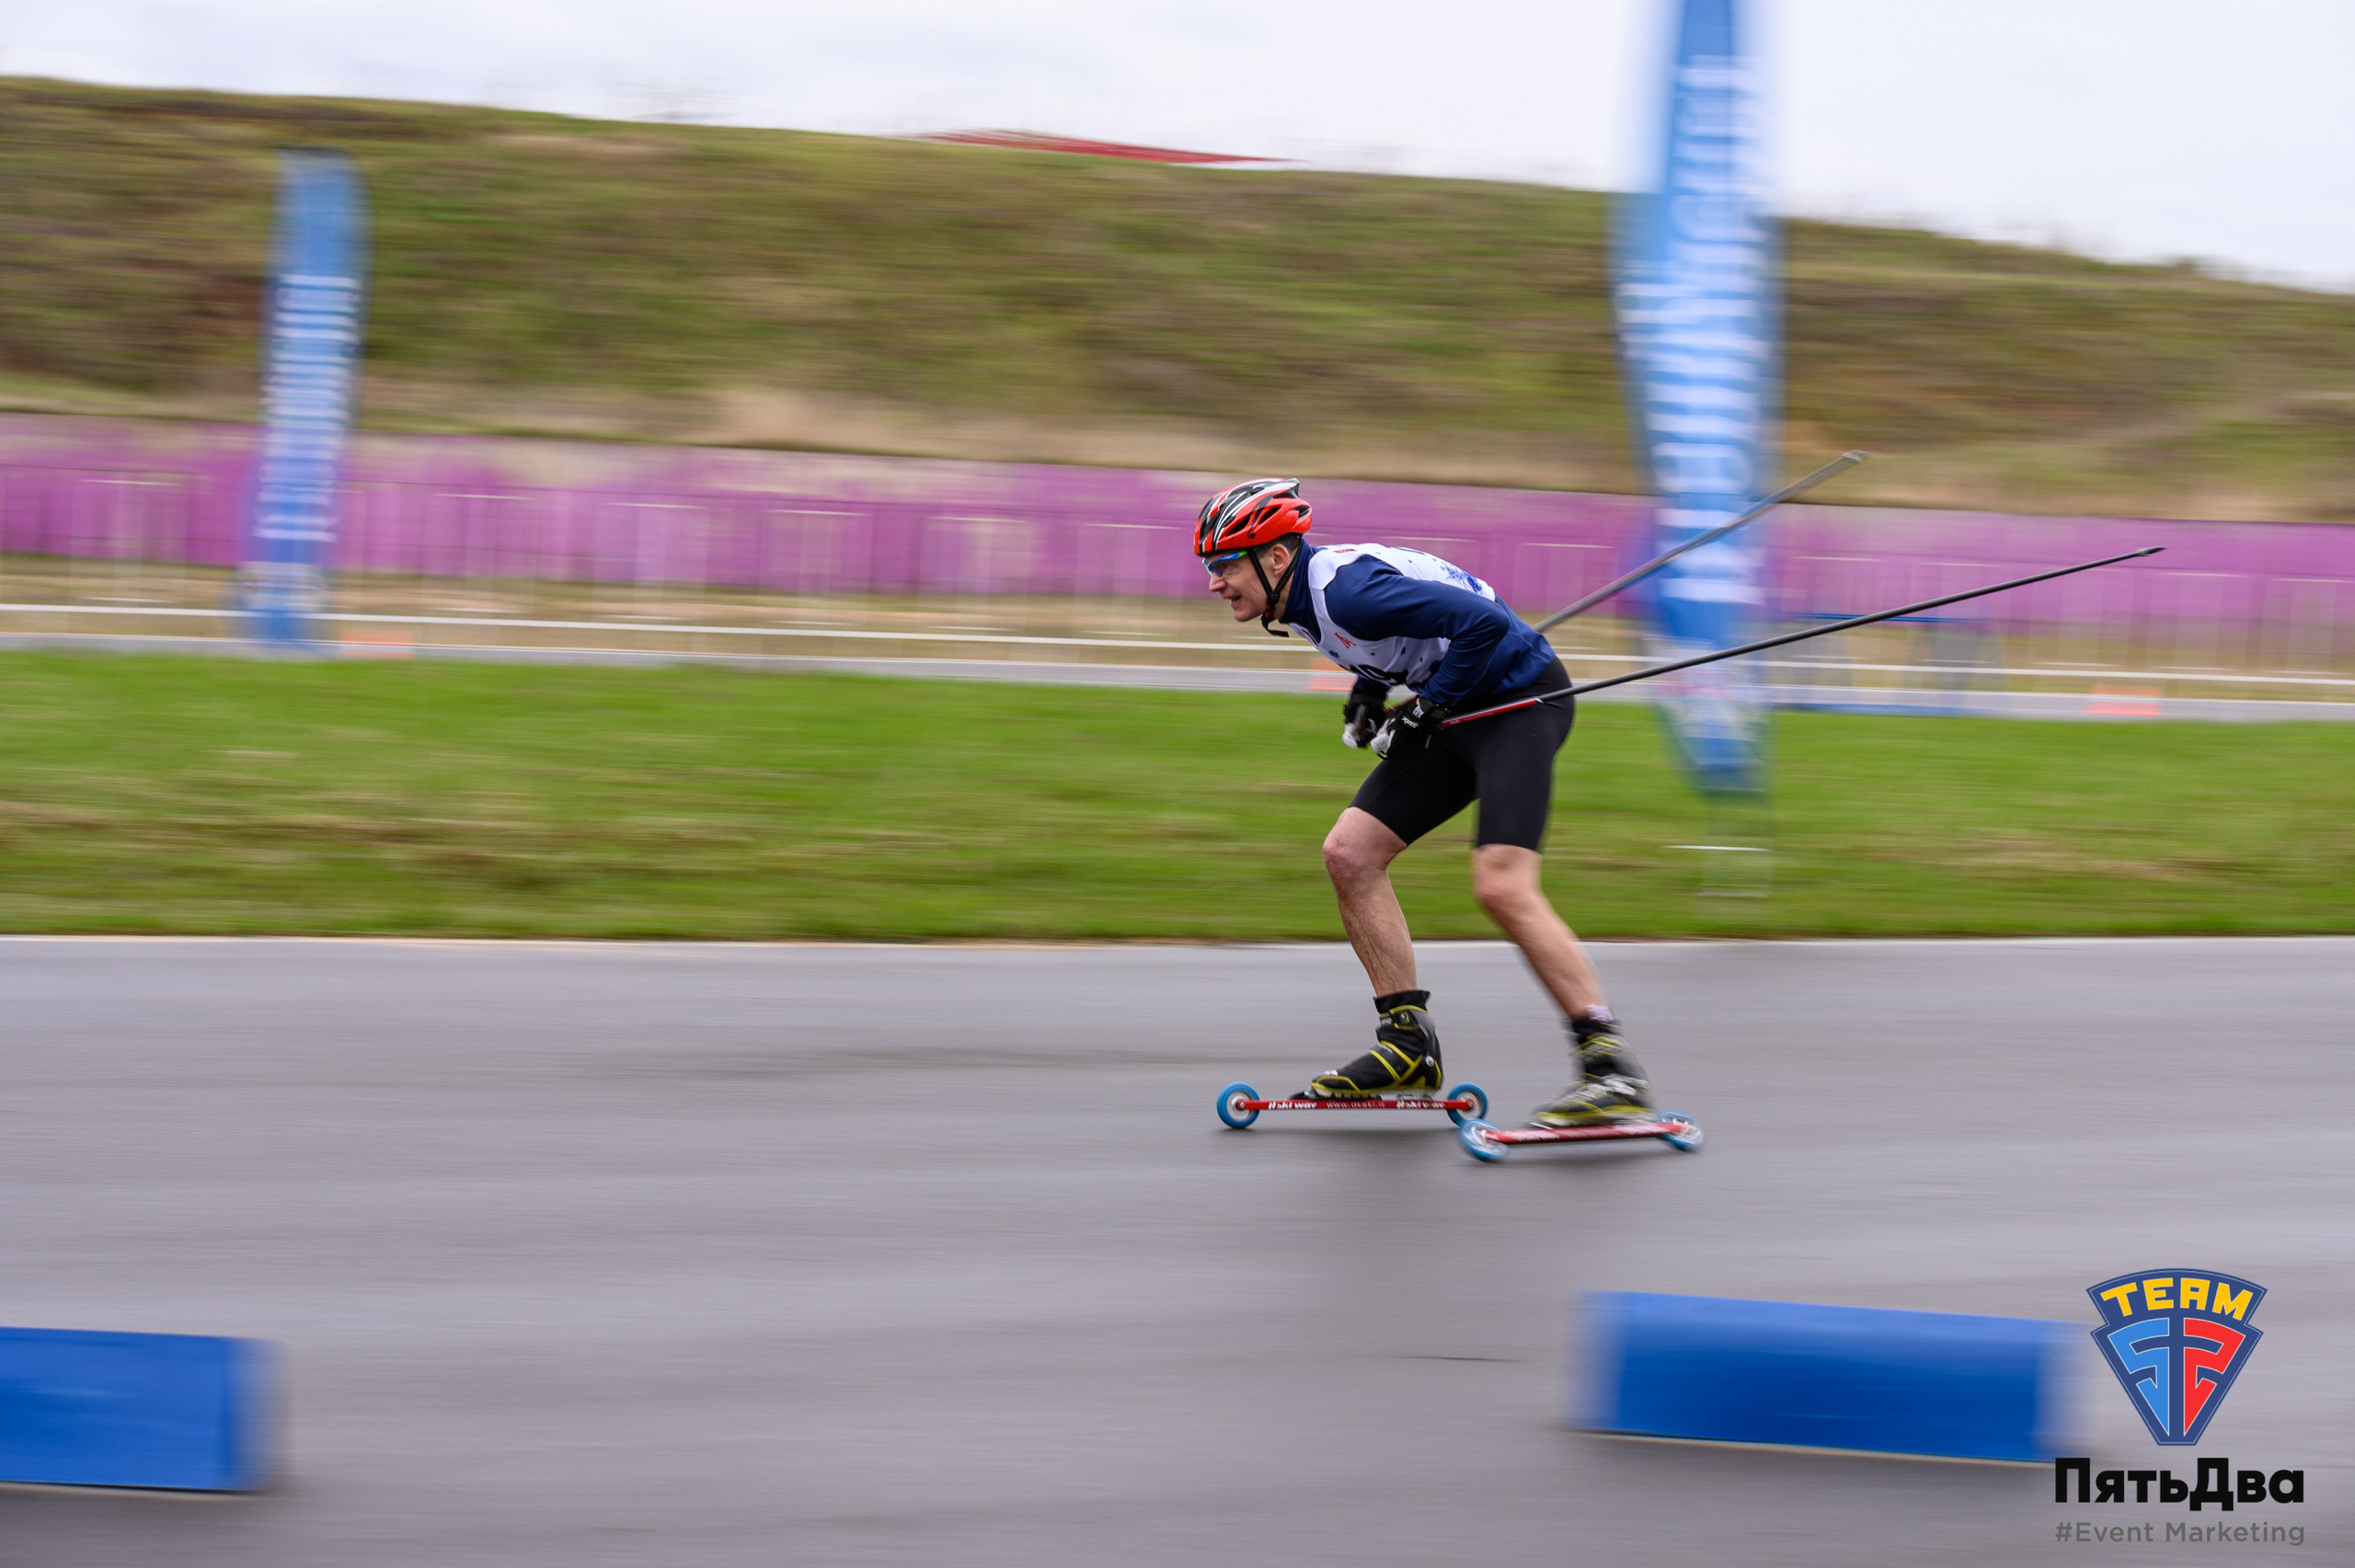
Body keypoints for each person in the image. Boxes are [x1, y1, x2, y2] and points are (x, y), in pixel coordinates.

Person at [1196, 476, 1653, 1127]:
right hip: (1459, 707)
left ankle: (1611, 1068)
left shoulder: (1346, 589)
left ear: (1274, 557)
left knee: (1502, 884)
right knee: (1350, 854)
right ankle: (1408, 1044)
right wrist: (1369, 690)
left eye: (1224, 565)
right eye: (1211, 567)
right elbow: (1400, 634)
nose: (1214, 582)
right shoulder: (1301, 596)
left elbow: (1485, 623)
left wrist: (1429, 706)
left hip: (1517, 703)